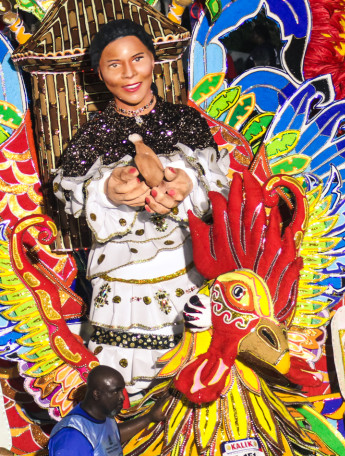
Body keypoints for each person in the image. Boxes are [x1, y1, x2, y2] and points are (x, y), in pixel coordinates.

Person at [54, 19, 230, 395]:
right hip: (122, 278)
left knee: (191, 358)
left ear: (154, 61)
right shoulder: (92, 135)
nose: (129, 73)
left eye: (138, 59)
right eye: (114, 64)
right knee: (126, 371)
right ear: (99, 74)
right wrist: (110, 192)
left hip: (185, 265)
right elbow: (75, 196)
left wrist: (188, 186)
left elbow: (215, 187)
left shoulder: (186, 122)